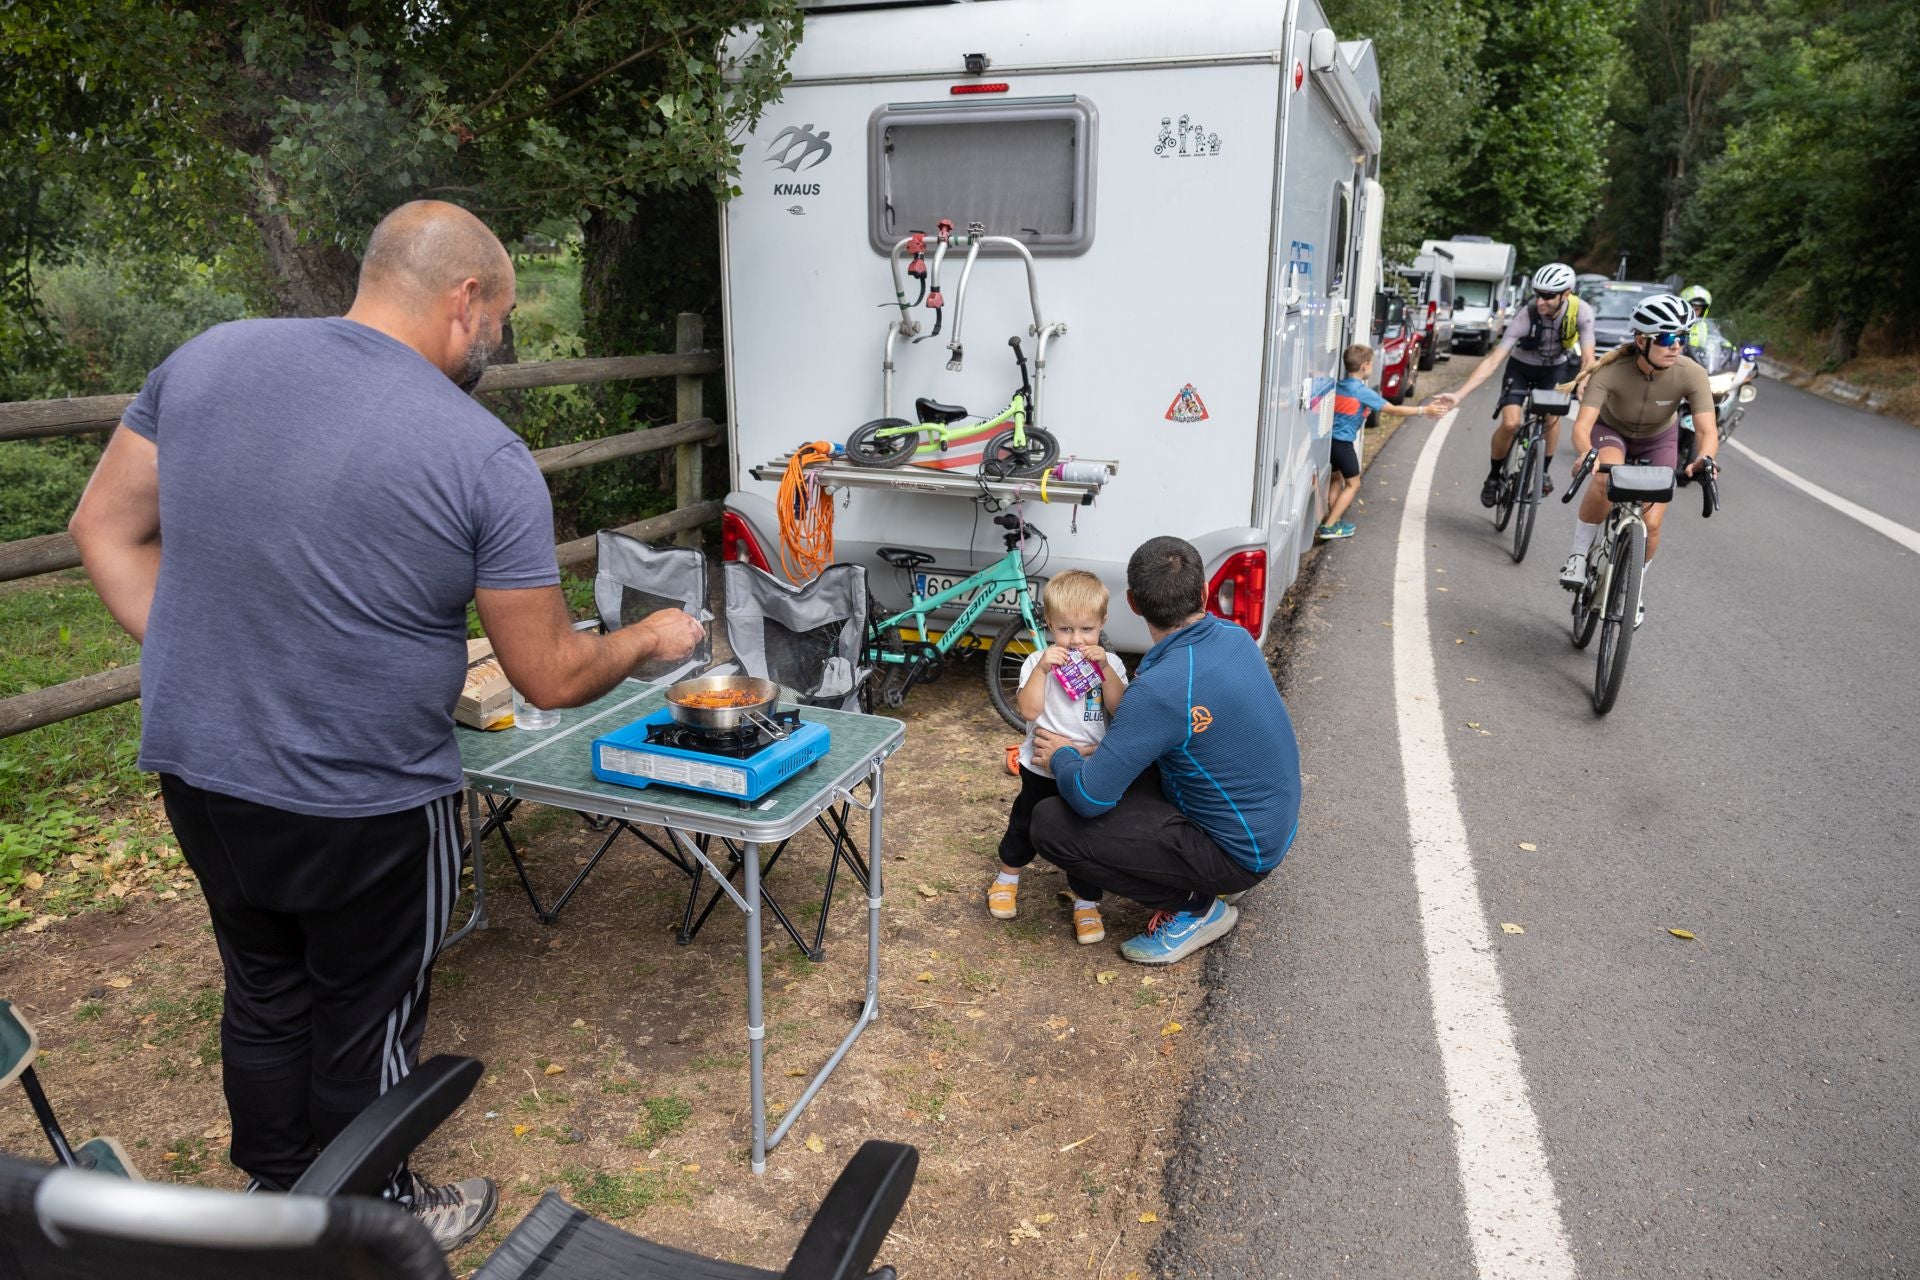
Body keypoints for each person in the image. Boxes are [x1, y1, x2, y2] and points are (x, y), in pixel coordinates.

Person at [66, 200, 704, 1249]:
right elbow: (546, 673)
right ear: (466, 302)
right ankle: (366, 1222)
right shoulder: (480, 452)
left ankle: (278, 1198)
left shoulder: (208, 360)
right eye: (497, 319)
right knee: (365, 1013)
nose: (494, 343)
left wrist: (201, 653)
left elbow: (103, 525)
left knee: (264, 984)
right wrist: (644, 640)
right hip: (366, 798)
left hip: (202, 768)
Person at [1026, 538, 1301, 965]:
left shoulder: (1160, 689)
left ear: (1133, 604)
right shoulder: (1234, 635)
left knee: (1050, 821)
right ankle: (1213, 875)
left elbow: (1089, 797)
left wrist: (1062, 754)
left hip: (1241, 851)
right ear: (1206, 590)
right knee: (1115, 767)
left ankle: (1195, 907)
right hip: (1269, 826)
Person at [1557, 292, 1717, 627]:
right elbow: (1583, 425)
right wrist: (1587, 452)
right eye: (1668, 338)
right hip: (1612, 431)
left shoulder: (1691, 373)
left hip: (1659, 438)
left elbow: (1706, 431)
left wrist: (1705, 459)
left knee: (1654, 522)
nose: (1676, 346)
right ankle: (1577, 556)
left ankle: (1634, 586)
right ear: (1641, 339)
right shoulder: (1611, 370)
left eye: (1682, 337)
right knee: (1605, 478)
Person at [987, 571, 1129, 944]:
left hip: (1090, 768)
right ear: (1049, 625)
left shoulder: (1110, 665)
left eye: (1086, 629)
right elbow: (1029, 712)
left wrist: (1103, 671)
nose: (1077, 639)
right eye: (1066, 630)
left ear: (1102, 624)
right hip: (1040, 767)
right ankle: (1006, 879)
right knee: (1024, 821)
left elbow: (1121, 708)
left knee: (1087, 835)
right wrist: (1042, 670)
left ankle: (1086, 903)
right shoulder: (1037, 661)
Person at [1432, 262, 1594, 504]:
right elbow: (1493, 361)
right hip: (1521, 367)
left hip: (1554, 368)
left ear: (1566, 294)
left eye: (1548, 296)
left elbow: (1589, 357)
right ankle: (1494, 476)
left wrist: (1583, 381)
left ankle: (1544, 472)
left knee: (1552, 417)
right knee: (1510, 423)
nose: (1540, 302)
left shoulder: (1582, 312)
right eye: (1537, 294)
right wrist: (1460, 394)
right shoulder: (1526, 314)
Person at [1319, 344, 1446, 540]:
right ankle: (1329, 526)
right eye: (1371, 364)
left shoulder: (1338, 386)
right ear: (1365, 366)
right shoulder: (1362, 392)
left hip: (1329, 442)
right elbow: (1393, 410)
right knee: (1354, 484)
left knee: (1337, 478)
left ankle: (1332, 519)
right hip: (1344, 444)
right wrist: (1424, 410)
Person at [1679, 284, 1714, 357]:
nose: (1693, 312)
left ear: (1703, 311)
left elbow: (1717, 338)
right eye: (1691, 308)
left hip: (1702, 362)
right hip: (1681, 361)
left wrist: (1726, 346)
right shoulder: (1676, 325)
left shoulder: (1705, 325)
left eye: (1697, 309)